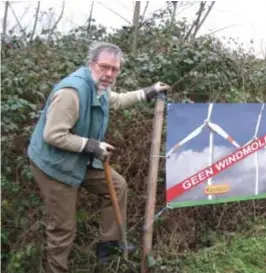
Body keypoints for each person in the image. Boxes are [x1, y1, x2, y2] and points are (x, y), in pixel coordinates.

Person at [27, 41, 171, 272]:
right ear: (92, 64)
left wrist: (148, 92)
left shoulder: (99, 88)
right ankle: (57, 269)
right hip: (54, 166)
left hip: (79, 158)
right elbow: (53, 135)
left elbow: (116, 100)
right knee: (63, 228)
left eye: (115, 69)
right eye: (104, 67)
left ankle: (107, 245)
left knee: (117, 185)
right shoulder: (71, 93)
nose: (109, 74)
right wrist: (91, 145)